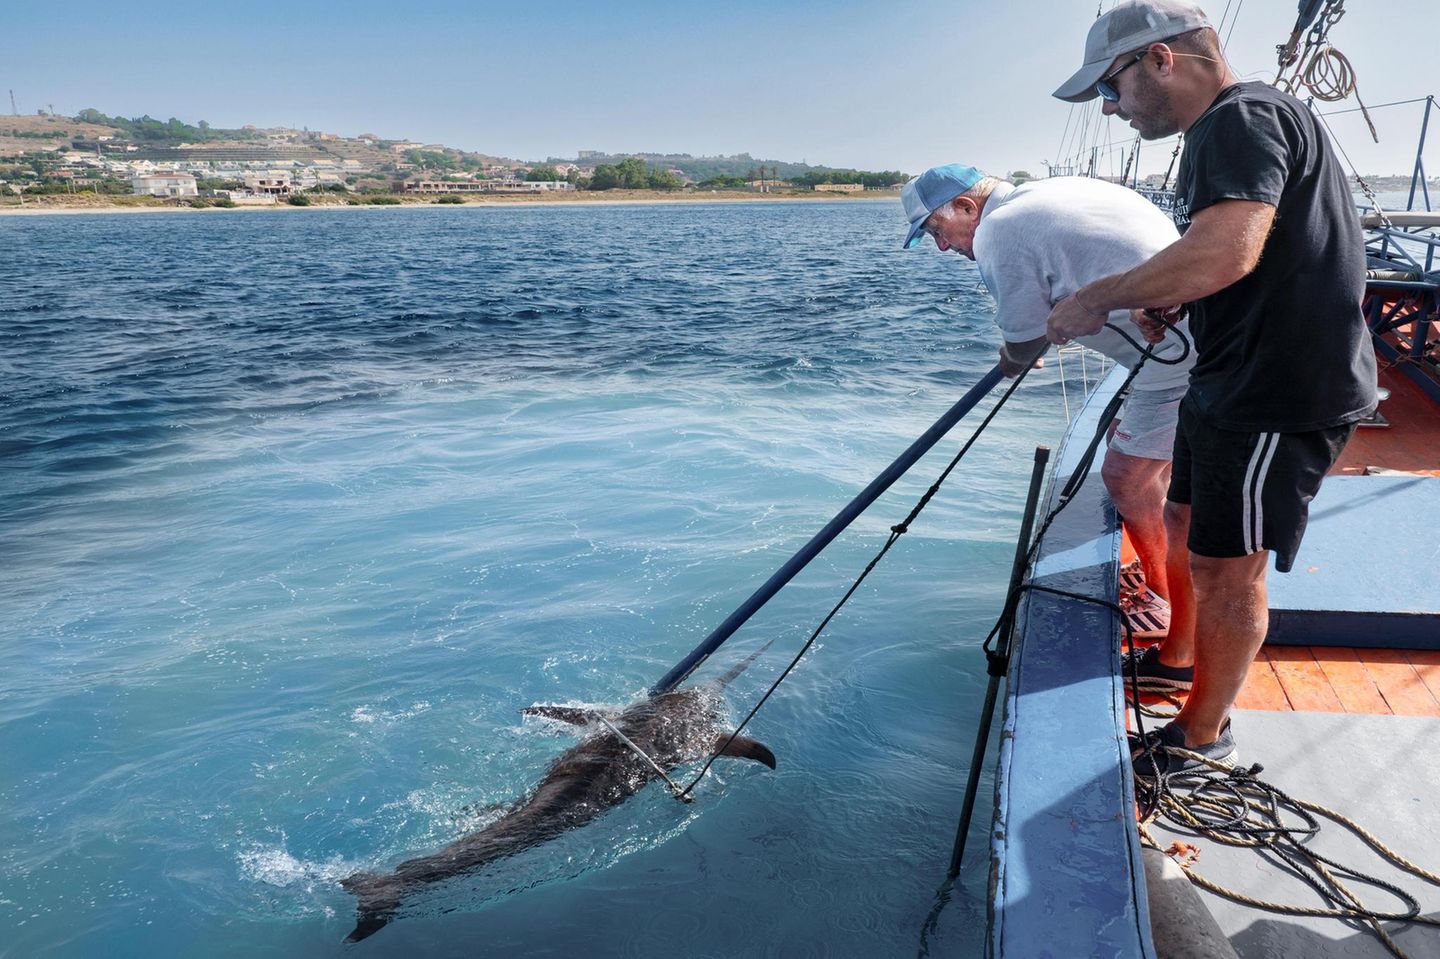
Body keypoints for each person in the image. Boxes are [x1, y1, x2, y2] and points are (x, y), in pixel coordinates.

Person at [1047, 0, 1377, 775]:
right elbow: (1242, 255)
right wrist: (1177, 293)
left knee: (1231, 572)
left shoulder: (1241, 119)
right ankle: (1179, 658)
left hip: (1277, 390)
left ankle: (1201, 736)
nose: (1108, 106)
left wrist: (1099, 297)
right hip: (1227, 376)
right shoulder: (1229, 124)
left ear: (1161, 60)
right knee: (1190, 522)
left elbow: (1226, 249)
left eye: (1111, 84)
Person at [900, 163, 1197, 646]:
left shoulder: (999, 231)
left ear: (966, 206)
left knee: (1127, 478)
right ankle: (1157, 566)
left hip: (1176, 356)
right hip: (1192, 336)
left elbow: (1025, 340)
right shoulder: (1053, 192)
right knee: (1147, 466)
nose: (941, 246)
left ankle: (1161, 596)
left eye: (937, 230)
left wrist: (1015, 356)